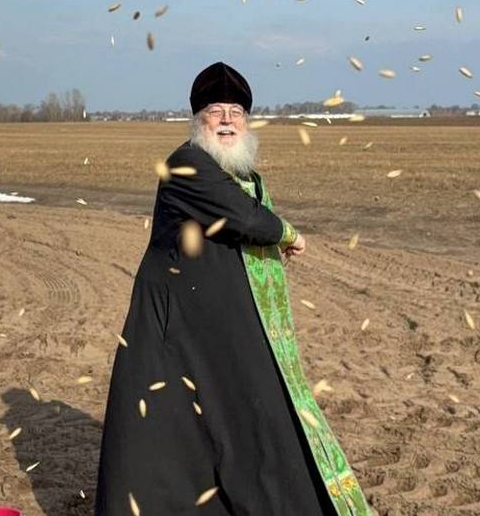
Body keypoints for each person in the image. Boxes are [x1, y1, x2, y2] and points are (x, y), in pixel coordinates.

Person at [94, 62, 371, 515]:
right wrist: (288, 234)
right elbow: (241, 216)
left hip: (219, 329)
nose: (227, 120)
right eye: (215, 111)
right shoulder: (185, 164)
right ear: (197, 119)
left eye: (236, 112)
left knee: (246, 421)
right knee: (172, 435)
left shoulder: (245, 177)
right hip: (174, 331)